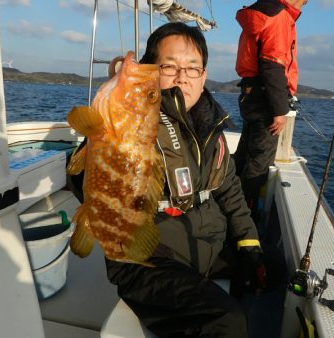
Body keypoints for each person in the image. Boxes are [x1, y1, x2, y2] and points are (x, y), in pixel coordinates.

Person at [103, 22, 266, 338]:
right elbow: (90, 178)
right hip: (148, 257)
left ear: (204, 77)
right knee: (227, 322)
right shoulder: (131, 119)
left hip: (205, 243)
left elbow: (230, 191)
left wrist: (249, 244)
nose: (182, 77)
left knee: (277, 269)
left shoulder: (210, 126)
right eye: (169, 66)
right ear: (150, 71)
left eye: (193, 68)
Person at [233, 0, 308, 221]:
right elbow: (272, 64)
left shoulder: (262, 13)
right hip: (266, 97)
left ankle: (228, 201)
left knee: (246, 153)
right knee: (259, 162)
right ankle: (243, 217)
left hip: (251, 92)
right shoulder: (279, 16)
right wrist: (279, 109)